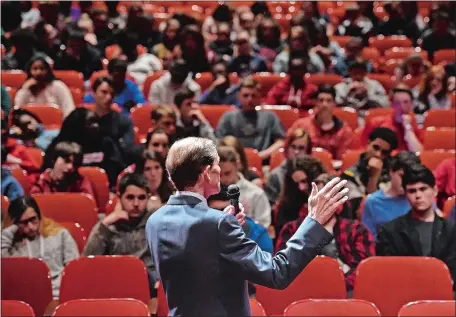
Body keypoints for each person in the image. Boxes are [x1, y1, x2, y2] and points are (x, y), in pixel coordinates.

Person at [145, 137, 349, 316]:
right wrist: (314, 221)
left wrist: (219, 225)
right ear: (206, 172)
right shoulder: (216, 224)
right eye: (217, 164)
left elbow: (193, 268)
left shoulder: (155, 221)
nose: (219, 170)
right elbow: (277, 273)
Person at [276, 173, 375, 293]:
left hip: (346, 291)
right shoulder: (292, 229)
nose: (320, 202)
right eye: (317, 196)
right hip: (301, 290)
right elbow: (282, 267)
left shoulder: (357, 230)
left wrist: (334, 285)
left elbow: (362, 271)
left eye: (326, 197)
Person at [376, 164, 456, 286]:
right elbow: (388, 274)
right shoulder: (389, 231)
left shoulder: (451, 230)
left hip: (443, 294)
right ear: (405, 194)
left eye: (423, 189)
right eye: (412, 191)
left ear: (435, 191)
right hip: (403, 292)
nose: (418, 196)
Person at [83, 173, 159, 298]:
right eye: (130, 197)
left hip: (150, 283)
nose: (136, 203)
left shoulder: (156, 220)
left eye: (141, 198)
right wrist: (106, 223)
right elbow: (87, 259)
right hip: (116, 282)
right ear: (119, 197)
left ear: (148, 198)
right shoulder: (110, 226)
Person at [2, 196, 79, 298]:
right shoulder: (10, 242)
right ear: (15, 223)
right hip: (24, 296)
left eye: (33, 219)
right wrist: (8, 233)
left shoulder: (60, 234)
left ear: (39, 216)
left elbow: (74, 270)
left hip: (57, 295)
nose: (30, 227)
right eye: (24, 222)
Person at [216, 76, 285, 161]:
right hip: (234, 163)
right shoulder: (228, 117)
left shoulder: (269, 117)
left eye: (254, 96)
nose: (250, 99)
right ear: (239, 96)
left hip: (263, 163)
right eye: (246, 95)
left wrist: (260, 156)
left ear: (259, 97)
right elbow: (220, 143)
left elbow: (281, 142)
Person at [362, 151, 421, 238]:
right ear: (391, 172)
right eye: (401, 175)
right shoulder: (372, 202)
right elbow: (368, 241)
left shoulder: (423, 197)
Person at [342, 127, 398, 215]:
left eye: (384, 152)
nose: (378, 154)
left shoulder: (394, 173)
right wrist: (374, 176)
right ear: (368, 143)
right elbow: (365, 210)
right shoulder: (349, 175)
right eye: (376, 147)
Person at [288, 85, 354, 159]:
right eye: (321, 100)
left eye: (329, 101)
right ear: (315, 102)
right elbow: (288, 148)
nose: (324, 104)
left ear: (334, 104)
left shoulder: (344, 130)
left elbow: (343, 159)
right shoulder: (301, 125)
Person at [217, 146, 271, 228]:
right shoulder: (208, 193)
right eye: (219, 174)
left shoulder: (256, 193)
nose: (223, 179)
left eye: (227, 173)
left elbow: (263, 226)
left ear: (237, 165)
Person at [361, 85, 423, 152]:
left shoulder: (412, 121)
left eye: (405, 102)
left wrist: (408, 128)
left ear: (411, 104)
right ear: (391, 104)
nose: (401, 106)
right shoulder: (375, 123)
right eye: (397, 103)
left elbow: (418, 152)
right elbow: (364, 150)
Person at [274, 156, 326, 234]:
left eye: (304, 181)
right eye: (296, 183)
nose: (301, 188)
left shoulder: (330, 199)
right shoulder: (287, 205)